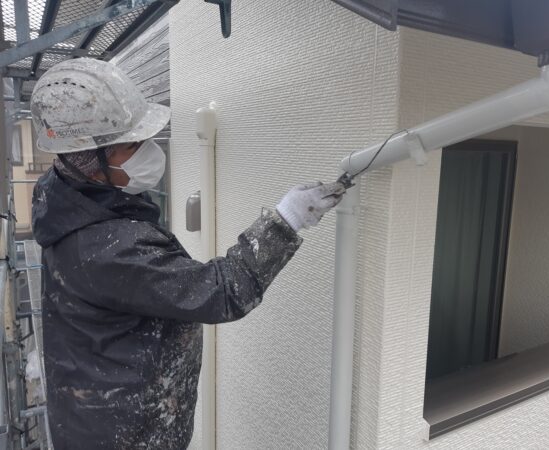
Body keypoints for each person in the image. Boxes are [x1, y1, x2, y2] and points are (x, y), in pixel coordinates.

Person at [30, 58, 345, 450]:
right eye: (132, 145)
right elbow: (221, 292)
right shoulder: (105, 248)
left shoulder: (68, 198)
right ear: (90, 161)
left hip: (94, 417)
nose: (149, 151)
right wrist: (287, 219)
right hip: (121, 437)